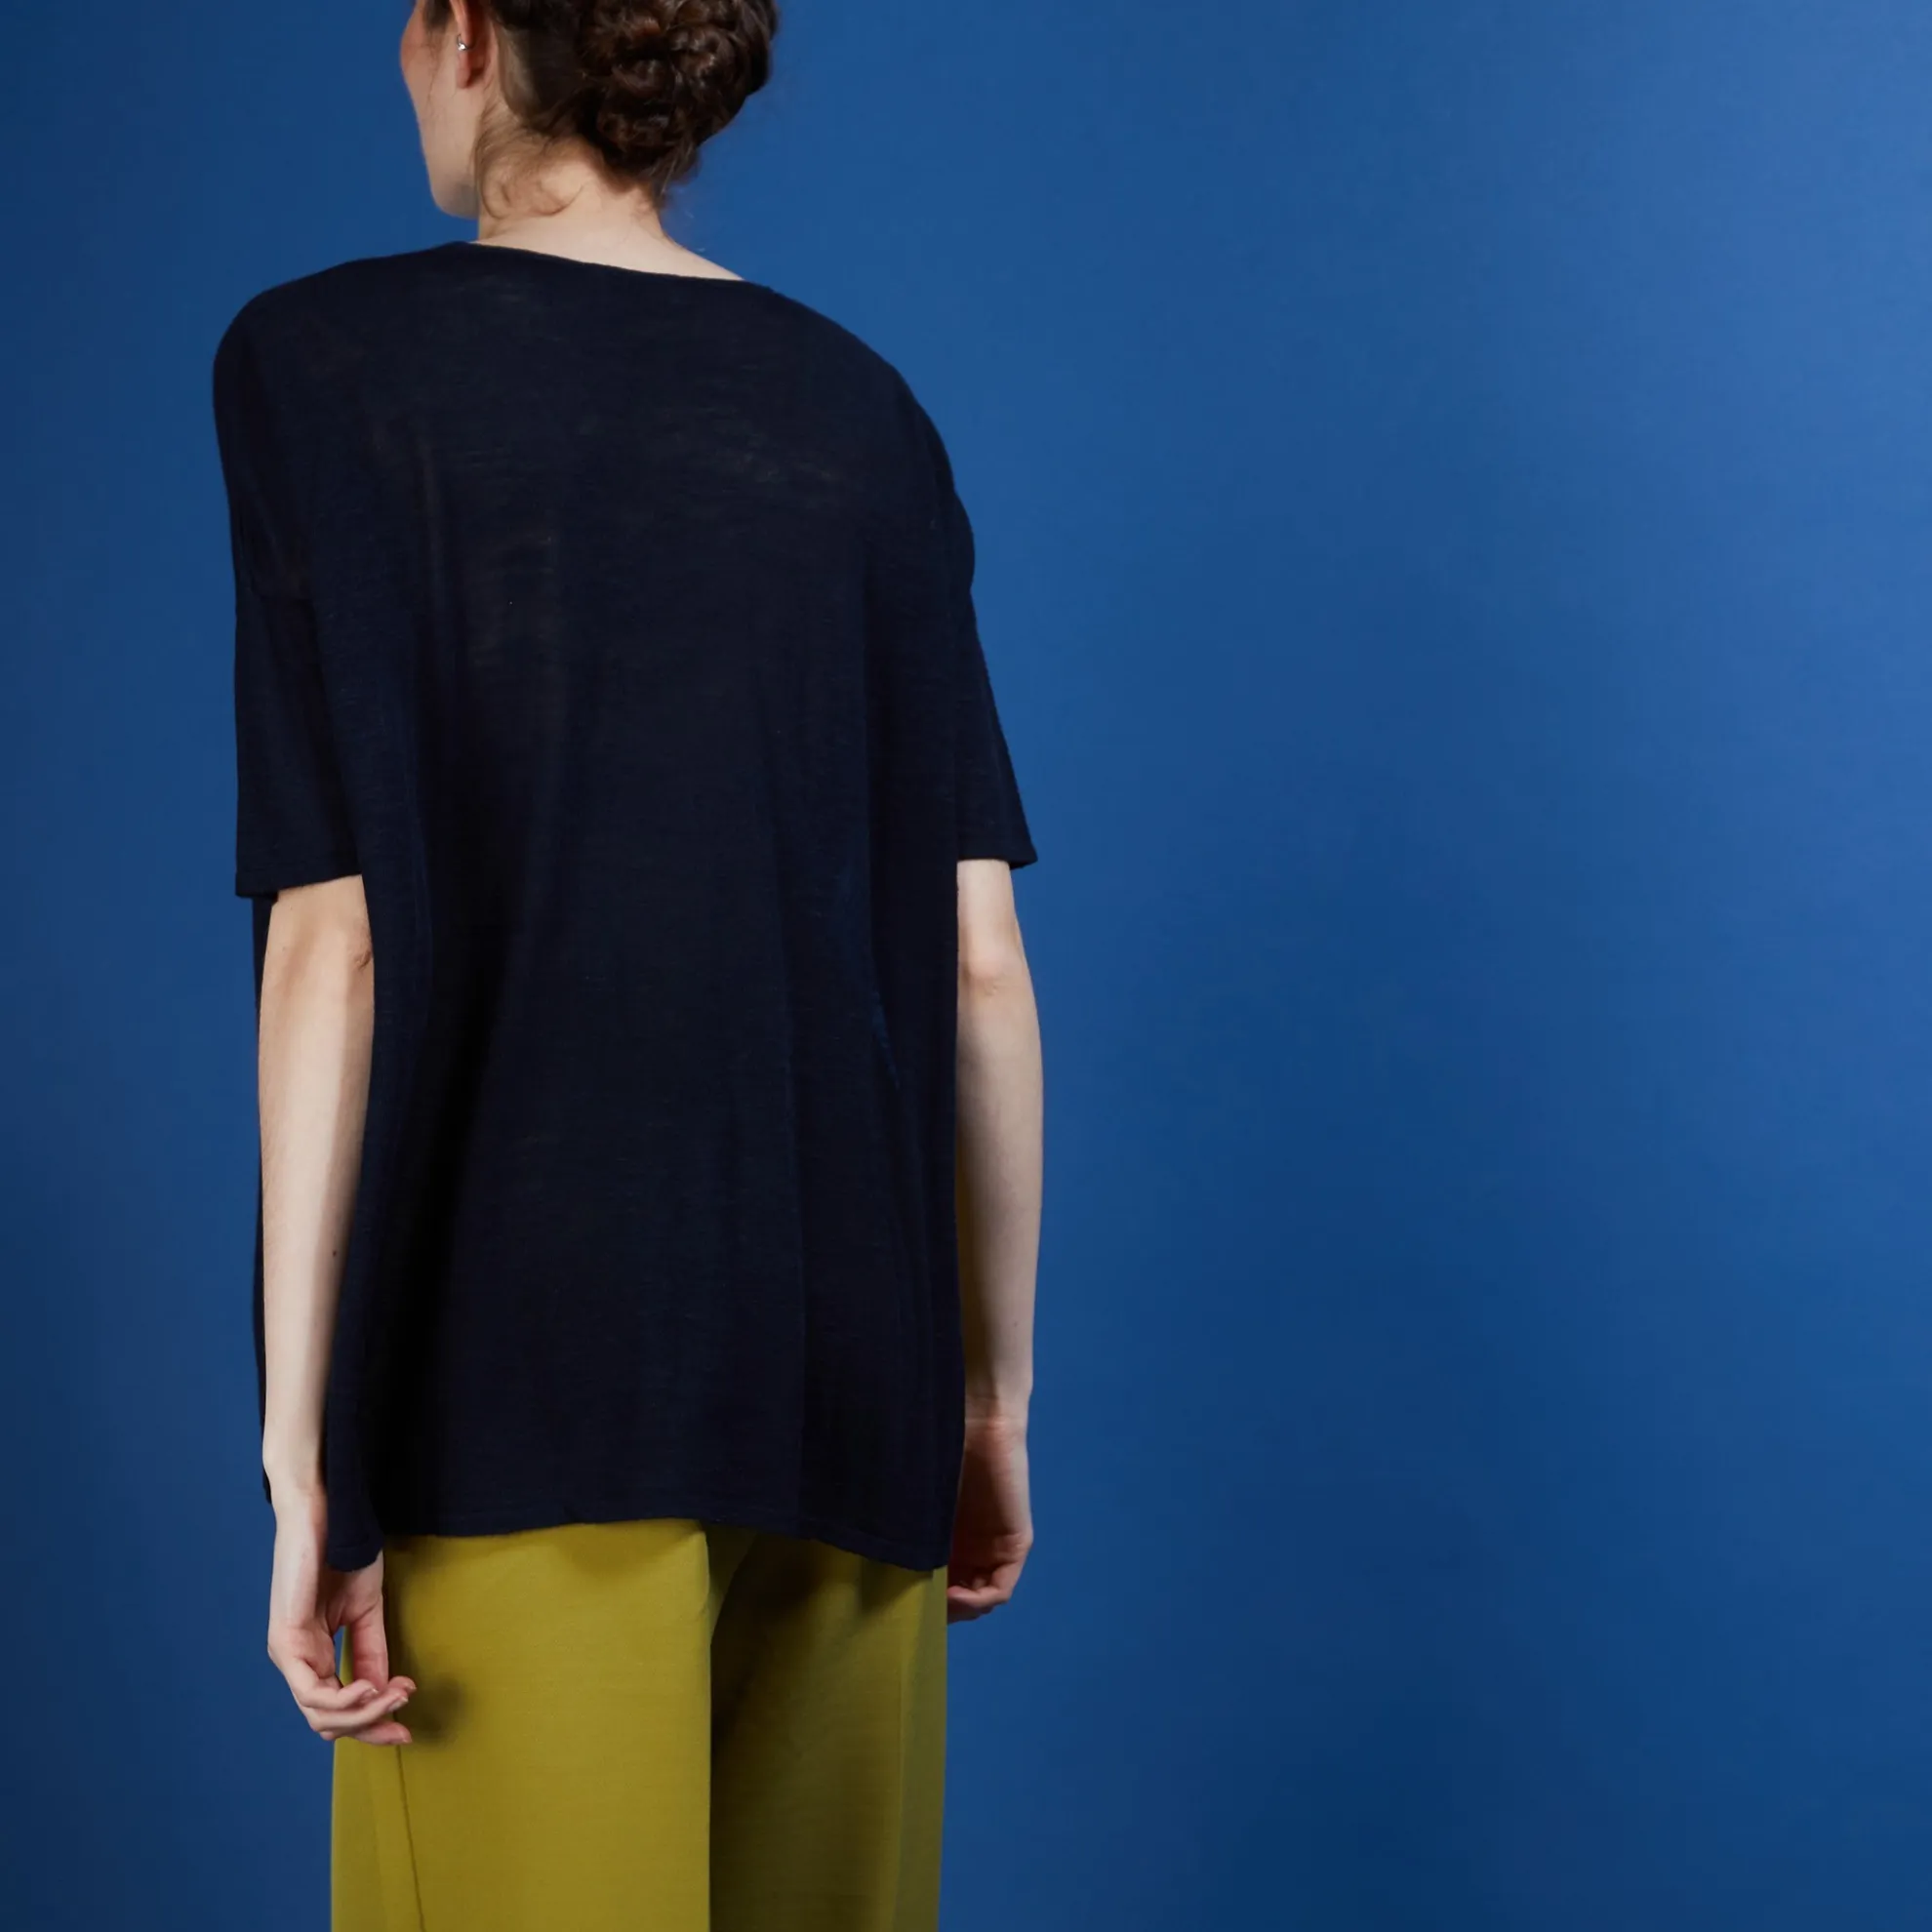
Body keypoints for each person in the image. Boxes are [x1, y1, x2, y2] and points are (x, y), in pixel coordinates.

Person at [209, 2, 1044, 1925]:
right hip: (856, 1391)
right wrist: (986, 1407)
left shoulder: (322, 364)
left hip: (511, 1383)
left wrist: (307, 1458)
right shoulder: (865, 412)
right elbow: (979, 960)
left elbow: (337, 938)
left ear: (466, 35)